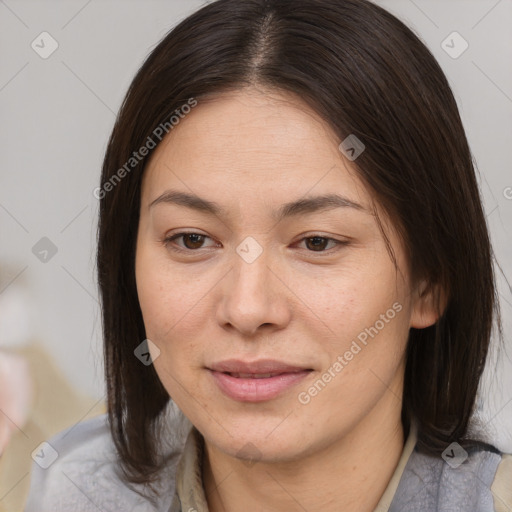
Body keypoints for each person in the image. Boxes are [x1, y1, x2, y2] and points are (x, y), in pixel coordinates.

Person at [24, 0, 512, 510]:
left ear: (429, 280)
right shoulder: (71, 489)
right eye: (192, 239)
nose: (247, 308)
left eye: (317, 242)